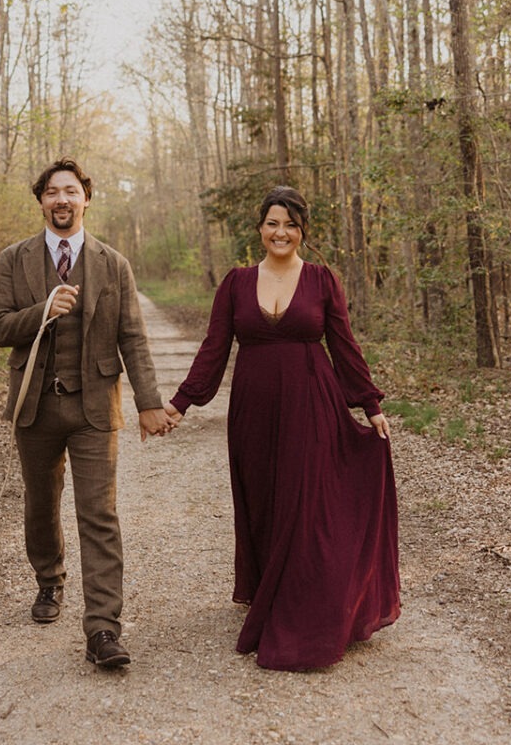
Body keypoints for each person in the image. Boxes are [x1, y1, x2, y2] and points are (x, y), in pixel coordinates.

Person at [165, 186, 400, 671]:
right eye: (273, 223)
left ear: (302, 231)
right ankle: (267, 592)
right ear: (259, 229)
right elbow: (214, 349)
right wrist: (181, 402)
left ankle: (304, 603)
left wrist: (370, 404)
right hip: (251, 409)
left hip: (312, 406)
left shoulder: (321, 280)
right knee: (263, 501)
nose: (281, 232)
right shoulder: (235, 283)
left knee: (304, 501)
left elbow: (344, 345)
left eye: (291, 224)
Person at [0, 158, 175, 669]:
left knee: (99, 515)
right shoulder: (14, 259)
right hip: (36, 407)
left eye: (71, 191)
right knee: (41, 507)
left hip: (95, 407)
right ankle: (49, 582)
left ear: (86, 198)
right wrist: (42, 311)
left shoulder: (113, 263)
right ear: (42, 201)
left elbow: (133, 337)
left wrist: (149, 402)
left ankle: (103, 629)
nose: (62, 200)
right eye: (52, 192)